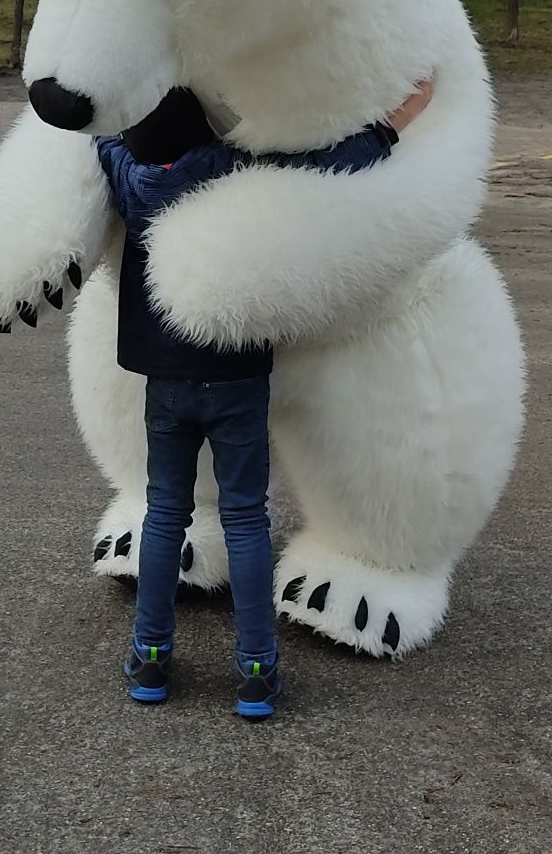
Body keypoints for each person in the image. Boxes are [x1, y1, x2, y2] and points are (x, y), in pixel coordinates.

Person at [96, 79, 434, 720]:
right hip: (237, 375)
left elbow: (103, 141)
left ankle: (151, 658)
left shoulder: (124, 172)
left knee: (165, 513)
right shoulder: (240, 169)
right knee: (246, 519)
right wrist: (392, 125)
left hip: (165, 379)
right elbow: (327, 166)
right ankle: (255, 668)